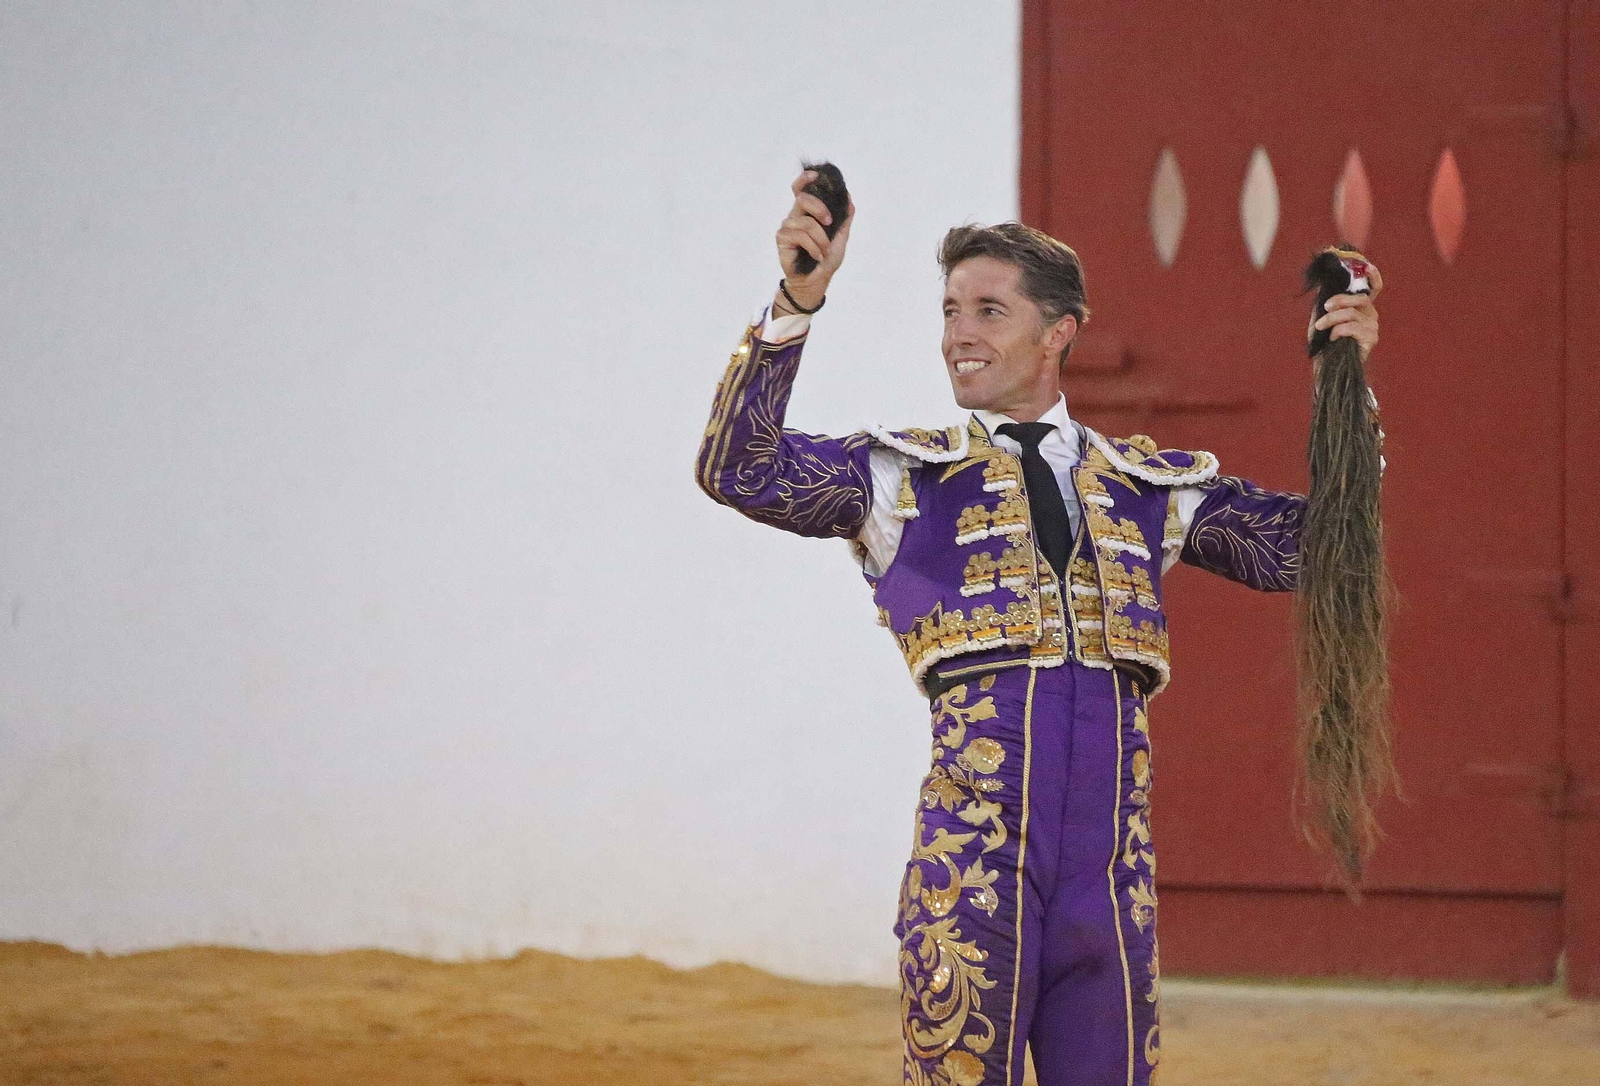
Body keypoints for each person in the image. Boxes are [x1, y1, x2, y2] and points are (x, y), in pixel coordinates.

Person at [695, 170, 1381, 1086]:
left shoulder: (1145, 487)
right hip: (976, 866)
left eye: (988, 310)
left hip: (1109, 878)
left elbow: (1317, 550)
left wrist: (1346, 382)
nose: (958, 335)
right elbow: (738, 467)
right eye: (949, 310)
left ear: (1058, 332)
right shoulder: (903, 480)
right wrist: (796, 301)